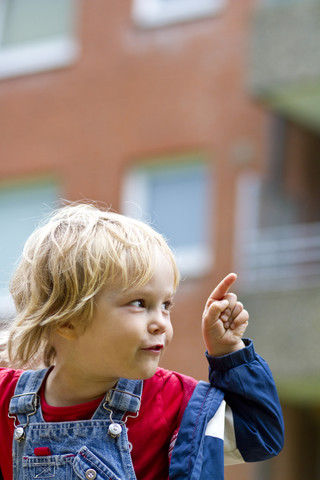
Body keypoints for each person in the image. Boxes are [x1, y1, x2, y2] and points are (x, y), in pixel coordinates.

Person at [0, 202, 284, 480]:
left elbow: (260, 435)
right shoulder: (5, 399)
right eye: (139, 303)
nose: (161, 322)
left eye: (166, 305)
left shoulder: (174, 402)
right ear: (66, 319)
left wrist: (229, 353)